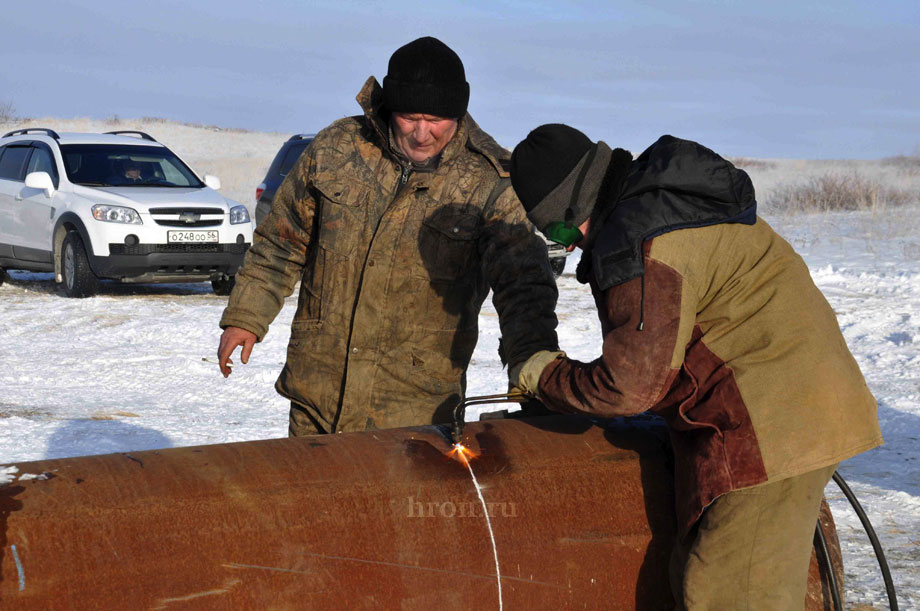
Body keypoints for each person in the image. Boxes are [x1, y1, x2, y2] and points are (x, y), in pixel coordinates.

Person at [508, 124, 883, 608]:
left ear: (577, 205)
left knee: (728, 592)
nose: (570, 245)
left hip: (774, 424)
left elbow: (629, 387)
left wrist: (544, 375)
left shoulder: (641, 238)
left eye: (560, 230)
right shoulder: (666, 203)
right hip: (792, 405)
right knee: (697, 569)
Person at [217, 37, 558, 436]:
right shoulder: (338, 149)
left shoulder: (489, 182)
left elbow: (524, 289)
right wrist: (246, 316)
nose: (421, 133)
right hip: (318, 394)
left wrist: (534, 371)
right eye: (410, 117)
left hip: (416, 410)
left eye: (436, 120)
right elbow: (280, 242)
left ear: (459, 112)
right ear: (390, 106)